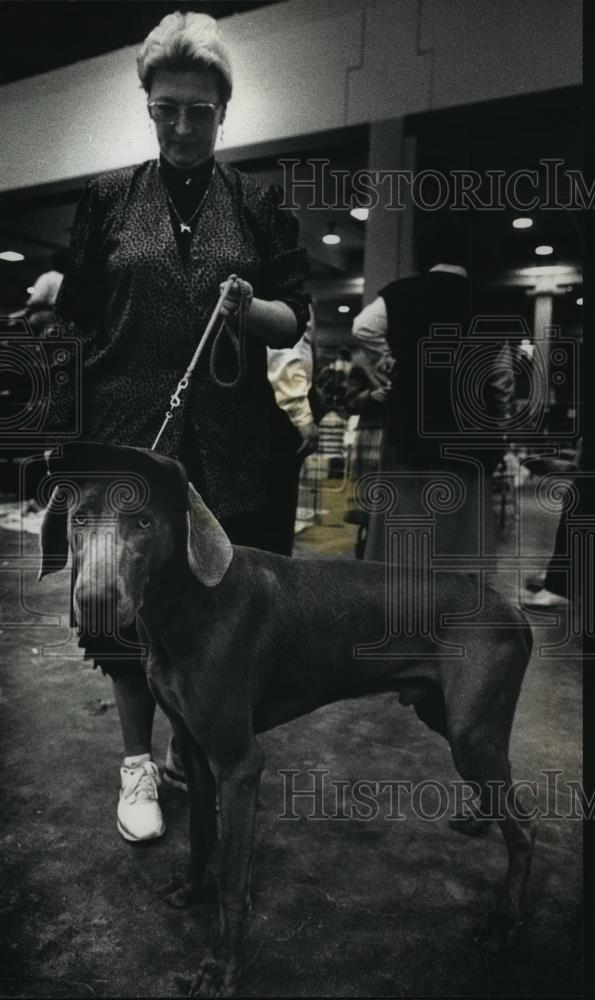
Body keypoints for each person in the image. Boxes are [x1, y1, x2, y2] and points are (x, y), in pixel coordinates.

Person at [46, 11, 309, 843]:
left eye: (200, 108)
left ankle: (202, 744)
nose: (184, 125)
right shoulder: (106, 199)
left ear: (224, 110)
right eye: (168, 108)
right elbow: (78, 317)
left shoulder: (258, 205)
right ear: (149, 107)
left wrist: (252, 305)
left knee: (217, 605)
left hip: (232, 440)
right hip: (129, 431)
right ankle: (135, 763)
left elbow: (293, 316)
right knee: (122, 605)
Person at [352, 213, 514, 566]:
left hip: (411, 425)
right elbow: (501, 381)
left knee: (404, 526)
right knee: (460, 537)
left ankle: (400, 603)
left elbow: (363, 326)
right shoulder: (491, 306)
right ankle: (452, 607)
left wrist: (393, 362)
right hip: (470, 434)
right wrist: (500, 432)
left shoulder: (402, 294)